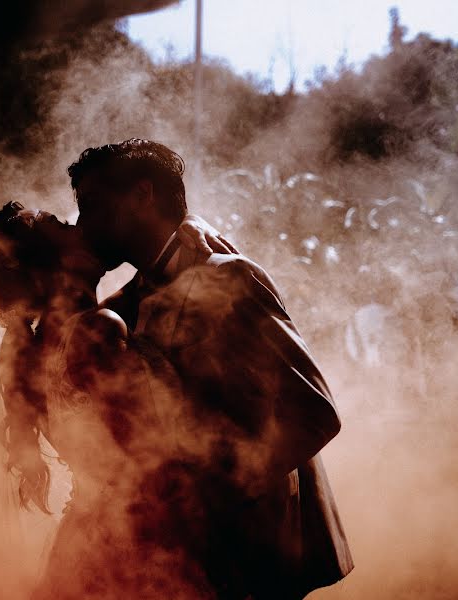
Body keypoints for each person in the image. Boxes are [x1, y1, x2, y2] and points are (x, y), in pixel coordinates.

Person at [70, 139, 353, 599]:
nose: (83, 226)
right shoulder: (131, 297)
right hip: (185, 559)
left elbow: (314, 411)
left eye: (92, 206)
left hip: (249, 558)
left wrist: (208, 496)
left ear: (143, 195)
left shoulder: (227, 276)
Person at [0, 201, 233, 598]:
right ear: (51, 264)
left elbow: (153, 278)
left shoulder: (45, 345)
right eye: (61, 225)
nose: (79, 225)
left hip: (88, 541)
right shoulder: (95, 332)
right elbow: (153, 463)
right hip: (140, 548)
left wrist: (188, 222)